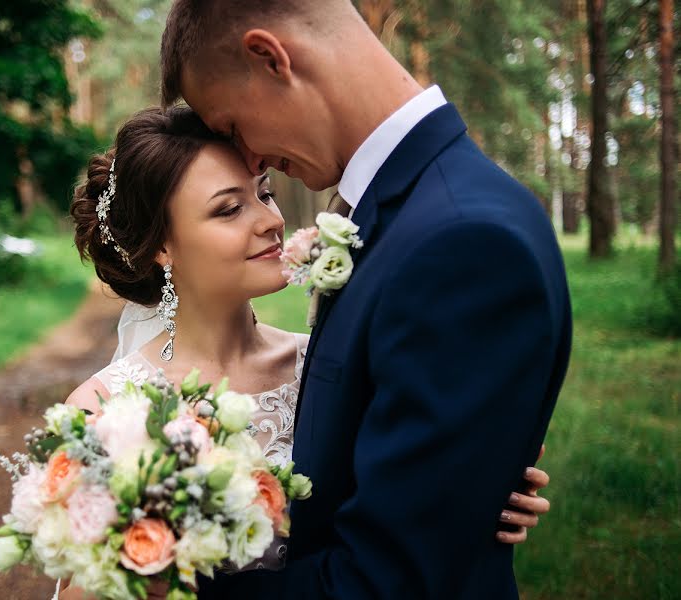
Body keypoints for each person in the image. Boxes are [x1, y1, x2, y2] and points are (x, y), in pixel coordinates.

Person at [160, 1, 572, 598]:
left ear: (270, 58)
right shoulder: (414, 214)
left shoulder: (461, 241)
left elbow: (390, 582)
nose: (247, 158)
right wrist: (465, 482)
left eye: (230, 128)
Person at [57, 106, 553, 599]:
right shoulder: (104, 411)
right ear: (162, 246)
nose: (272, 220)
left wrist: (479, 490)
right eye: (230, 208)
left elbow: (407, 513)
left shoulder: (335, 365)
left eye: (265, 193)